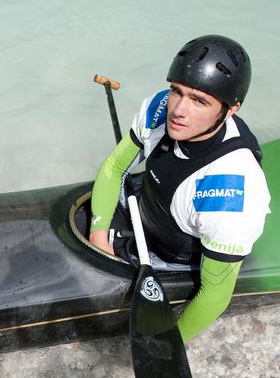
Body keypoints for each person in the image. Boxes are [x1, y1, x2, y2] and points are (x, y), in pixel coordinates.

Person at [88, 35, 271, 342]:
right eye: (177, 91)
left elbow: (214, 295)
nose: (179, 110)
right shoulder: (161, 106)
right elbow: (114, 168)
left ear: (230, 110)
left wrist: (168, 343)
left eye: (199, 101)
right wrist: (98, 233)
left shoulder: (231, 193)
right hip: (144, 215)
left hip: (168, 258)